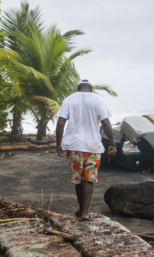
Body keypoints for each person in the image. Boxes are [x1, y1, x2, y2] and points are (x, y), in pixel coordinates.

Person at [56, 79, 117, 221]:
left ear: (78, 88)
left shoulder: (69, 99)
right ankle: (84, 212)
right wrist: (112, 144)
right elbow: (106, 123)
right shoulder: (98, 100)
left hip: (74, 146)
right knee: (89, 178)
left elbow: (60, 123)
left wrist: (59, 144)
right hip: (93, 147)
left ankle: (81, 210)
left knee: (78, 178)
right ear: (91, 88)